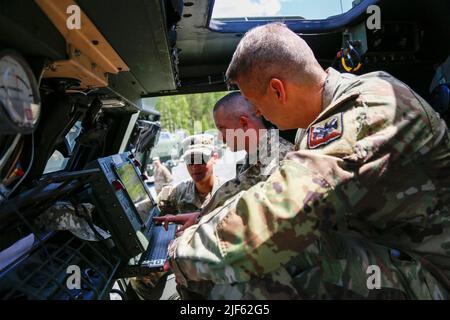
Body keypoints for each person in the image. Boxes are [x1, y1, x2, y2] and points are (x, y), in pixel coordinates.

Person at [167, 22, 450, 299]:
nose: (259, 114)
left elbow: (279, 211)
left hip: (431, 274)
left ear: (278, 90)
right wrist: (206, 218)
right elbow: (268, 188)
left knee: (280, 257)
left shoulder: (366, 109)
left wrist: (180, 254)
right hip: (386, 249)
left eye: (256, 104)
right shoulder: (317, 122)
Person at [154, 92, 293, 237]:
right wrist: (199, 216)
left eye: (222, 128)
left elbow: (264, 224)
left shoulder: (278, 160)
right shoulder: (253, 159)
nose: (220, 137)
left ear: (244, 123)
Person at [130, 134, 223, 300]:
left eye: (201, 159)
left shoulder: (228, 193)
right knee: (138, 284)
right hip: (183, 266)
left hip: (217, 270)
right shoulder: (178, 192)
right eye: (189, 160)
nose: (195, 166)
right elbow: (146, 209)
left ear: (214, 157)